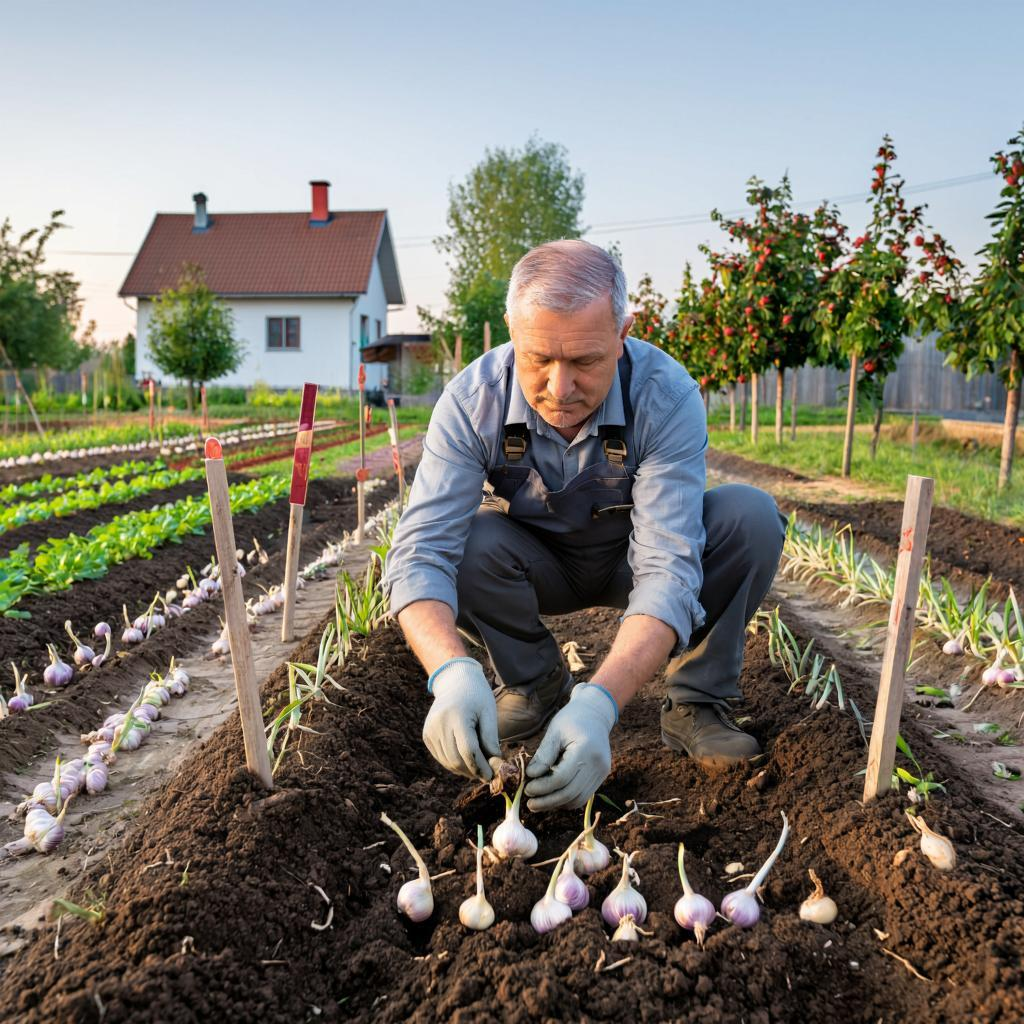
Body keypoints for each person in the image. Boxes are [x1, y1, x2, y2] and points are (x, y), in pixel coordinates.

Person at [383, 240, 785, 812]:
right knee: (469, 540)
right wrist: (450, 671)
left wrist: (601, 704)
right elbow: (421, 554)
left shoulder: (665, 398)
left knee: (749, 517)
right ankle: (536, 684)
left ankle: (696, 699)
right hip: (539, 561)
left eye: (586, 362)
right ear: (510, 330)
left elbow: (667, 569)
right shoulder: (474, 401)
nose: (560, 388)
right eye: (539, 359)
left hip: (631, 560)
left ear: (624, 332)